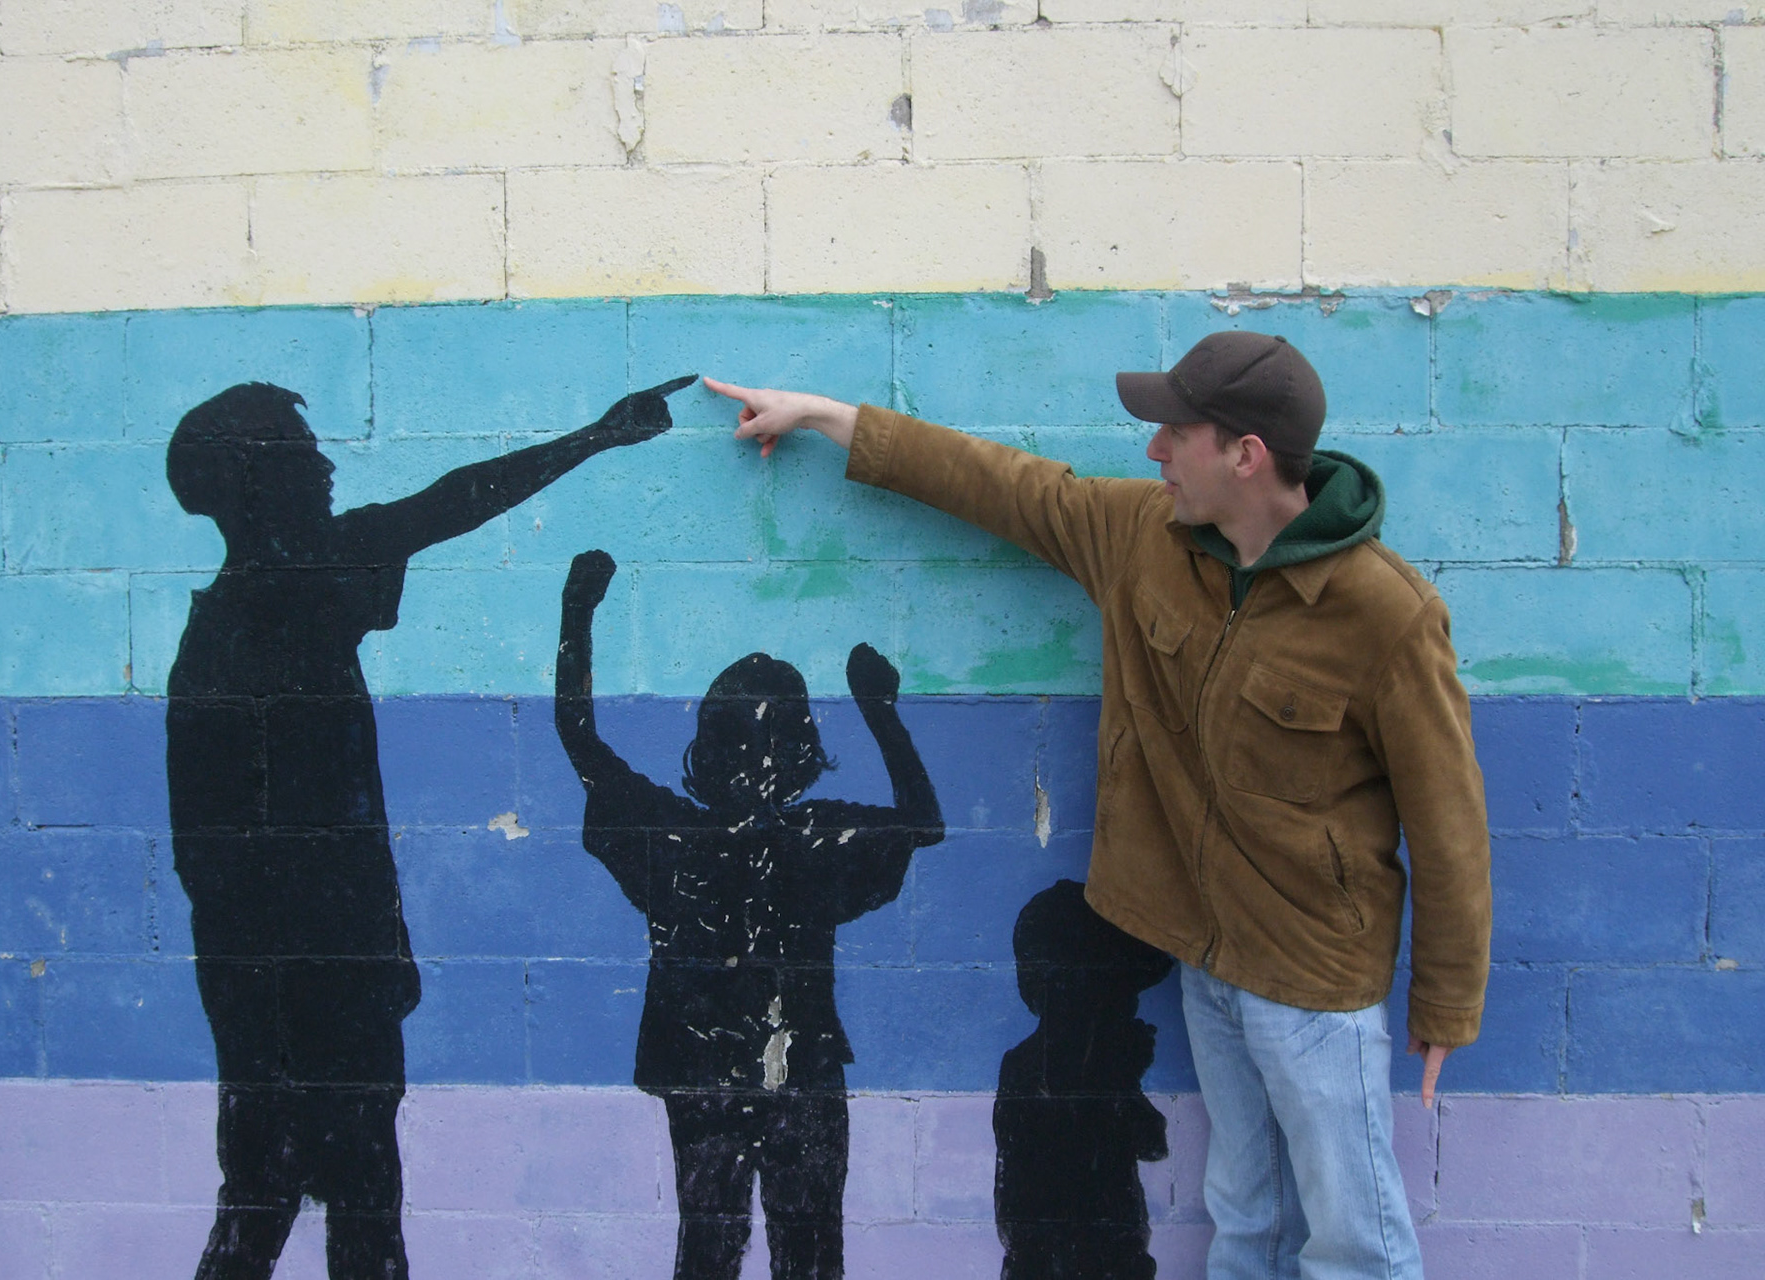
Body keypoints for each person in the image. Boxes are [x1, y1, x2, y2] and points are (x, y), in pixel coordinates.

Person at [706, 331, 1491, 1280]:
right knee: (1247, 1218)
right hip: (1204, 956)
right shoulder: (1143, 541)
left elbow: (1448, 820)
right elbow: (1000, 485)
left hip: (1314, 979)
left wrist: (1445, 1000)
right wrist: (829, 417)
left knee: (1355, 1241)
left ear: (1245, 454)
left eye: (1175, 432)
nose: (1154, 450)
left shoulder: (1385, 612)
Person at [166, 375, 692, 1280]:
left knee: (296, 1200)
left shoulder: (259, 608)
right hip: (304, 992)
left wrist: (596, 438)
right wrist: (597, 439)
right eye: (301, 453)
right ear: (256, 483)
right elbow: (449, 503)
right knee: (302, 1200)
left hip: (308, 984)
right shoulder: (277, 608)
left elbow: (448, 503)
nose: (326, 466)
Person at [554, 547, 943, 1280]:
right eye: (744, 741)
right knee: (786, 1253)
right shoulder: (793, 837)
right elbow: (923, 822)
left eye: (766, 742)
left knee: (739, 1250)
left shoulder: (680, 837)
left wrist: (578, 613)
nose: (757, 762)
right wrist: (880, 712)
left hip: (735, 1069)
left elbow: (580, 741)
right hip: (775, 1071)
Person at [996, 878, 1173, 1280]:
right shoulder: (1092, 1065)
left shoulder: (1023, 1063)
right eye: (1121, 990)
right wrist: (1127, 1072)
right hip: (1094, 1256)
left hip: (1057, 1257)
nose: (1129, 1004)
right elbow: (1150, 1141)